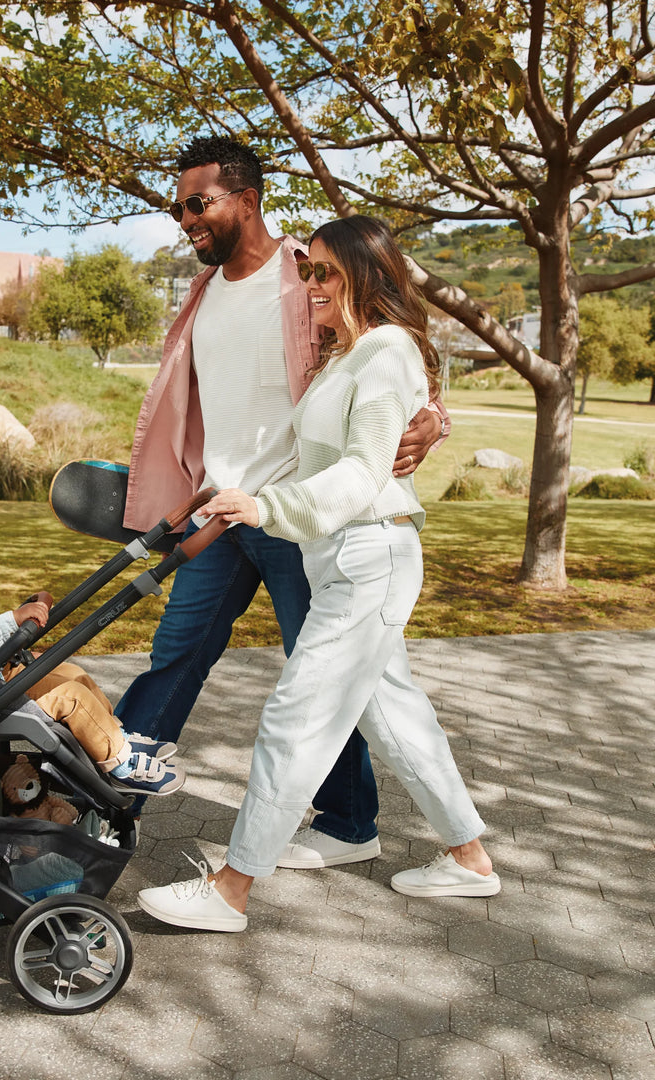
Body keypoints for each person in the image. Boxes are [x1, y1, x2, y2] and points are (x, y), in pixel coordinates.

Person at [136, 216, 499, 932]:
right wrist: (226, 492)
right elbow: (309, 459)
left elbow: (365, 475)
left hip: (371, 553)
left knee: (296, 716)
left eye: (325, 272)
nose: (311, 285)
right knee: (394, 716)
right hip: (343, 556)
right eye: (309, 271)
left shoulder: (387, 351)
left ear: (367, 276)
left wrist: (267, 506)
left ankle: (231, 890)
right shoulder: (347, 356)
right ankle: (469, 859)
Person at [113, 136, 448, 866]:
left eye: (198, 204)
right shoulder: (199, 295)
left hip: (300, 517)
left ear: (249, 199)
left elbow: (397, 352)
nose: (185, 220)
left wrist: (433, 419)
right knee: (174, 656)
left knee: (321, 676)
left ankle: (348, 823)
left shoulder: (308, 276)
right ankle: (102, 804)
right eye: (178, 209)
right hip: (221, 512)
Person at [0, 528, 184, 797]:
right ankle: (121, 765)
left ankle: (116, 736)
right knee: (72, 698)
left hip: (0, 671)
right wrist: (12, 620)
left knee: (73, 674)